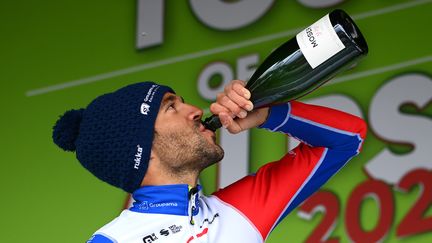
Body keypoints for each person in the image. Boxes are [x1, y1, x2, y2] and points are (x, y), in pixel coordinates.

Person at [52, 80, 367, 243]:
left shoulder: (237, 211)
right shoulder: (115, 240)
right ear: (142, 150)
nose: (195, 110)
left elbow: (347, 138)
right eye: (171, 107)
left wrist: (268, 114)